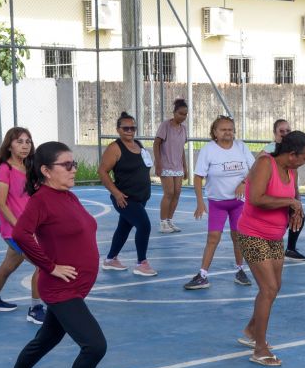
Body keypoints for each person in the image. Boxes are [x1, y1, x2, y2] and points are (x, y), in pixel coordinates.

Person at [0, 141, 107, 368]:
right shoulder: (42, 200)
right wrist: (49, 266)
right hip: (60, 289)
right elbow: (21, 234)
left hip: (75, 288)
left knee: (47, 337)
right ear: (46, 171)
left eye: (75, 164)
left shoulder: (68, 195)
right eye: (66, 165)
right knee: (95, 345)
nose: (73, 170)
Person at [237, 131, 305, 366]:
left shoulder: (292, 171)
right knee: (268, 289)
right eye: (304, 156)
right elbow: (257, 199)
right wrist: (290, 203)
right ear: (291, 154)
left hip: (274, 236)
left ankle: (251, 329)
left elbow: (291, 198)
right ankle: (260, 348)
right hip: (252, 234)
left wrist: (295, 210)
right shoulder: (264, 164)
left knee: (274, 287)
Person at [0, 127, 45, 325]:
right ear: (9, 146)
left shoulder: (30, 168)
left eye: (28, 141)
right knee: (43, 264)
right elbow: (1, 203)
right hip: (16, 231)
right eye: (19, 141)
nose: (25, 146)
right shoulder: (4, 169)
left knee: (9, 265)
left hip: (28, 228)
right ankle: (35, 309)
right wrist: (20, 227)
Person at [184, 115, 254, 290]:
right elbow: (198, 177)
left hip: (239, 202)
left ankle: (240, 270)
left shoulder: (241, 147)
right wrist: (200, 202)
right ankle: (202, 275)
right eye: (223, 129)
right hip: (217, 202)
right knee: (213, 237)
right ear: (215, 132)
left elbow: (255, 169)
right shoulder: (209, 150)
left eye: (230, 129)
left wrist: (244, 183)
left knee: (238, 237)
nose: (227, 132)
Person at [99, 111, 157, 276]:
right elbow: (102, 172)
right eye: (126, 128)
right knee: (144, 225)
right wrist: (116, 193)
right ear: (118, 130)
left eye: (133, 128)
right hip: (125, 198)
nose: (130, 131)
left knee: (123, 228)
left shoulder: (138, 144)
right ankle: (142, 263)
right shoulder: (115, 148)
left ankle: (110, 260)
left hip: (140, 197)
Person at [260, 118, 305, 261]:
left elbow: (294, 184)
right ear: (275, 134)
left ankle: (290, 248)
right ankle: (267, 244)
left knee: (299, 216)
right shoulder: (268, 151)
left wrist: (298, 203)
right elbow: (257, 170)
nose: (285, 134)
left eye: (288, 131)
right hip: (271, 194)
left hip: (285, 195)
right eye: (281, 131)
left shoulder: (292, 153)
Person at [154, 98, 189, 234]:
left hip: (178, 166)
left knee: (177, 193)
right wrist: (158, 163)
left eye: (185, 114)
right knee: (168, 193)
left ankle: (169, 220)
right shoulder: (165, 126)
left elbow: (181, 150)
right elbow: (156, 143)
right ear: (174, 112)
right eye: (180, 113)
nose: (183, 116)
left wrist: (185, 167)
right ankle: (163, 222)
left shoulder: (184, 129)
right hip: (166, 165)